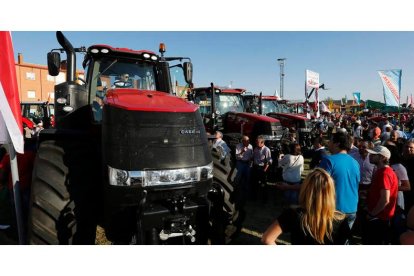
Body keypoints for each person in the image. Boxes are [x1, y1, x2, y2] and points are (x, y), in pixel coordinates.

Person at [261, 168, 350, 245]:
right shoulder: (340, 219)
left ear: (306, 189)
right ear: (331, 192)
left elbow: (267, 239)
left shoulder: (293, 214)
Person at [319, 131, 360, 231]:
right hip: (352, 207)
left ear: (337, 144)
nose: (328, 143)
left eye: (331, 141)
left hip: (335, 209)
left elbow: (318, 185)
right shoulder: (355, 163)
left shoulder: (328, 161)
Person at [363, 145, 399, 245]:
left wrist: (372, 214)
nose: (370, 156)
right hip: (380, 217)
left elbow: (385, 200)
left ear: (383, 158)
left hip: (379, 218)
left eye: (374, 154)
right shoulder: (384, 172)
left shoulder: (385, 173)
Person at [251, 136, 272, 201]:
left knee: (263, 184)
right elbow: (253, 157)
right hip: (255, 168)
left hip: (262, 168)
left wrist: (264, 170)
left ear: (262, 142)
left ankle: (264, 199)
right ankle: (255, 197)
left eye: (257, 142)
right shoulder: (256, 149)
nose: (256, 143)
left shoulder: (266, 150)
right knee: (255, 183)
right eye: (256, 141)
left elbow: (269, 161)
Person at [234, 135, 253, 204]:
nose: (247, 142)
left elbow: (251, 156)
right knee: (237, 177)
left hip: (247, 164)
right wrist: (242, 151)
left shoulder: (250, 146)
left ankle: (246, 193)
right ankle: (235, 191)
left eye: (248, 141)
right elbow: (237, 158)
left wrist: (250, 164)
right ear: (243, 141)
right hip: (240, 163)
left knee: (247, 177)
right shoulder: (238, 146)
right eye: (246, 141)